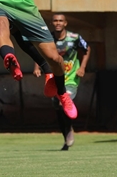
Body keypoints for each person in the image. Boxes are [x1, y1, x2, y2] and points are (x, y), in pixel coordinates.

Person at [33, 13, 91, 150]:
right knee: (57, 107)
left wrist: (82, 68)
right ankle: (66, 133)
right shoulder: (47, 38)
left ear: (65, 23)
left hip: (70, 78)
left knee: (62, 102)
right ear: (52, 23)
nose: (58, 23)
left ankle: (69, 130)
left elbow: (87, 49)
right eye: (55, 21)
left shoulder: (74, 37)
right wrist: (37, 67)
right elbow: (39, 53)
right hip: (54, 79)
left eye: (60, 21)